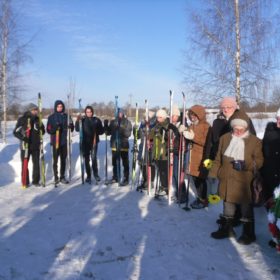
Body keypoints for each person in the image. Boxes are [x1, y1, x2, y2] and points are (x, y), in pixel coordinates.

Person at [210, 110, 263, 245]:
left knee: (245, 208)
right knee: (227, 205)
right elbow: (217, 159)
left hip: (244, 183)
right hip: (226, 179)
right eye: (235, 128)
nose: (238, 131)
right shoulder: (225, 138)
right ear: (232, 126)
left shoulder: (254, 141)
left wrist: (246, 165)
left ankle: (248, 234)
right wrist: (213, 174)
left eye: (241, 128)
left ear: (246, 127)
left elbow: (260, 161)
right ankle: (227, 230)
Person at [179, 105, 211, 209]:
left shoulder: (206, 127)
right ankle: (199, 197)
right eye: (191, 114)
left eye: (195, 115)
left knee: (200, 179)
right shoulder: (192, 126)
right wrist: (182, 131)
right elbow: (187, 137)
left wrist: (193, 137)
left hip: (201, 156)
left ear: (200, 115)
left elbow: (206, 142)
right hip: (191, 156)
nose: (192, 117)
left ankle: (203, 200)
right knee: (195, 178)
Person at [261, 108, 280, 249]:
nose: (278, 121)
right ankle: (276, 237)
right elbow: (263, 153)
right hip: (269, 178)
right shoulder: (270, 133)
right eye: (277, 118)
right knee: (271, 211)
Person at [13, 103, 45, 187]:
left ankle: (36, 181)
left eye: (36, 110)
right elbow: (15, 132)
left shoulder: (38, 119)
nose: (35, 111)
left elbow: (43, 132)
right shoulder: (22, 119)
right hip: (25, 146)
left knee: (36, 164)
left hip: (35, 146)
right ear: (29, 110)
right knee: (24, 164)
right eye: (34, 110)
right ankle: (25, 181)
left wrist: (41, 128)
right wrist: (23, 138)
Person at [47, 100, 74, 185]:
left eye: (61, 106)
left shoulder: (67, 116)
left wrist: (71, 126)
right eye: (58, 106)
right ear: (56, 107)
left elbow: (72, 128)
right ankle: (56, 177)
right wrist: (55, 128)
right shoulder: (51, 117)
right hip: (55, 142)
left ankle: (62, 176)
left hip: (63, 142)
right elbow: (48, 130)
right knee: (55, 160)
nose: (60, 108)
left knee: (63, 160)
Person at [75, 106, 104, 184]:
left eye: (90, 112)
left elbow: (101, 131)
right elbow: (77, 129)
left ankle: (96, 174)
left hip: (94, 142)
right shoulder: (82, 120)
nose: (89, 113)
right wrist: (78, 121)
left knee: (94, 158)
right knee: (86, 159)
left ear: (92, 112)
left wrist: (98, 129)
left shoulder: (96, 120)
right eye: (87, 112)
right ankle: (88, 176)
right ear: (85, 112)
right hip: (85, 143)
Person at [104, 108, 132, 186]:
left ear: (123, 113)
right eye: (118, 113)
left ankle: (126, 178)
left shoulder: (127, 122)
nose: (119, 114)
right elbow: (108, 133)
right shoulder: (113, 122)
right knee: (115, 162)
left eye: (121, 113)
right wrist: (106, 126)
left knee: (125, 162)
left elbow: (128, 134)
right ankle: (115, 177)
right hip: (114, 145)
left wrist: (121, 128)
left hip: (123, 145)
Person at [149, 109, 169, 195]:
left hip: (163, 153)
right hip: (156, 153)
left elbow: (168, 138)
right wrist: (152, 130)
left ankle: (165, 187)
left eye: (160, 117)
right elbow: (150, 136)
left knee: (164, 171)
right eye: (157, 117)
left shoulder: (167, 125)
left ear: (164, 117)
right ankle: (162, 186)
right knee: (160, 171)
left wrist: (164, 133)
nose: (158, 119)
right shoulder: (156, 126)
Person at [136, 111, 156, 191]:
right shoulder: (142, 124)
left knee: (151, 164)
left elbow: (154, 135)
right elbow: (137, 136)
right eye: (144, 117)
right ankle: (145, 180)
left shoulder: (154, 124)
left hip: (150, 147)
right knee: (142, 163)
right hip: (142, 147)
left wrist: (148, 130)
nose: (145, 118)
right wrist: (136, 131)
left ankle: (150, 181)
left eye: (146, 117)